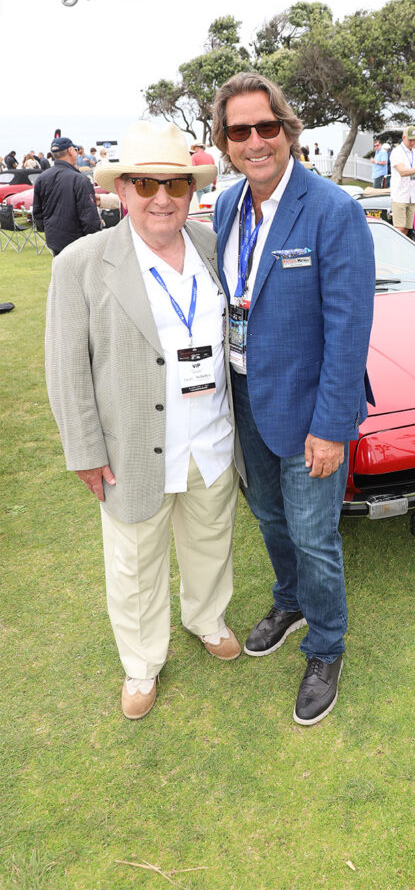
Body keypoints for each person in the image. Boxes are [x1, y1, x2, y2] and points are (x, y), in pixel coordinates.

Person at [45, 121, 244, 721]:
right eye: (146, 184)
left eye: (175, 185)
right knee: (134, 562)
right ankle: (141, 663)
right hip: (131, 444)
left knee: (211, 541)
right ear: (122, 191)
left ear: (191, 191)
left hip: (211, 435)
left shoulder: (213, 246)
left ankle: (207, 618)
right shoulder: (81, 263)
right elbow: (65, 365)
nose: (162, 198)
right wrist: (83, 448)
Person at [211, 71, 375, 725]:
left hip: (311, 408)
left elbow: (348, 329)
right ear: (224, 140)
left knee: (312, 534)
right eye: (239, 130)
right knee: (271, 520)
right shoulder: (226, 205)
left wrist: (332, 427)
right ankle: (290, 600)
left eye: (265, 126)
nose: (254, 141)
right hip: (245, 394)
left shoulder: (333, 210)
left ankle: (325, 646)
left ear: (287, 130)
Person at [32, 137, 101, 255]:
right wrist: (96, 241)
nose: (77, 152)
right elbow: (89, 217)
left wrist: (48, 228)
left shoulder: (42, 178)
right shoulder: (79, 180)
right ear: (70, 151)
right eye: (75, 149)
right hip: (77, 243)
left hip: (55, 240)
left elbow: (37, 212)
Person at [389, 125, 415, 235]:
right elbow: (402, 172)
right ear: (403, 138)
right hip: (400, 196)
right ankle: (395, 251)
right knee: (400, 229)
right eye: (410, 140)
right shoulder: (397, 152)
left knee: (407, 229)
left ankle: (402, 251)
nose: (412, 142)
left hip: (412, 197)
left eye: (414, 140)